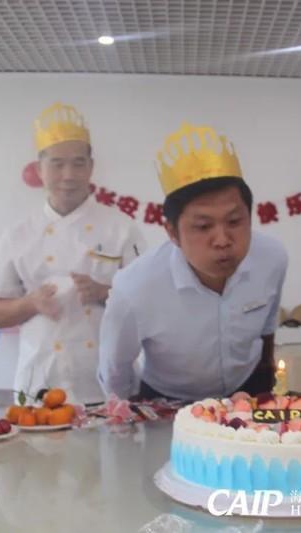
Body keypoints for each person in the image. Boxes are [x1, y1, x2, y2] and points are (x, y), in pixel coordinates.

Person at [98, 122, 288, 401]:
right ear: (172, 232)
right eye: (203, 226)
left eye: (234, 221)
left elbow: (267, 327)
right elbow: (115, 369)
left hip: (246, 390)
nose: (222, 240)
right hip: (168, 399)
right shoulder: (135, 287)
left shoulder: (272, 258)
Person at [0, 102, 144, 405]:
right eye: (57, 164)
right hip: (38, 384)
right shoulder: (17, 235)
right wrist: (30, 302)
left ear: (91, 167)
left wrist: (103, 292)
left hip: (107, 385)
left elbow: (147, 305)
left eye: (78, 163)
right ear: (39, 170)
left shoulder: (122, 229)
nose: (68, 175)